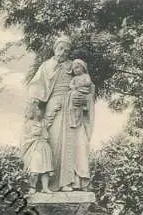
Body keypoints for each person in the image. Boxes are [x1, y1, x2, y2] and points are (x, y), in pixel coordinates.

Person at [28, 35, 95, 192]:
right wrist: (35, 102)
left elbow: (88, 86)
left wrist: (84, 99)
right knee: (52, 142)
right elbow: (35, 86)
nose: (63, 52)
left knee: (72, 144)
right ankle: (47, 185)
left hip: (72, 108)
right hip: (53, 105)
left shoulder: (74, 66)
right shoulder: (46, 66)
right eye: (60, 48)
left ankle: (69, 182)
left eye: (67, 50)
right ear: (54, 48)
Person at [21, 101, 53, 194]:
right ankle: (32, 187)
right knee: (35, 170)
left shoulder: (43, 122)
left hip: (44, 147)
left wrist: (43, 130)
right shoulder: (28, 124)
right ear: (33, 111)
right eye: (37, 109)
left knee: (45, 169)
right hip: (35, 147)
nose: (40, 111)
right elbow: (25, 137)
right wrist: (35, 133)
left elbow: (47, 132)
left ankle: (45, 187)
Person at [69, 59, 92, 128]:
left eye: (77, 67)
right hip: (76, 92)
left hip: (83, 91)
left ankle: (85, 105)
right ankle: (74, 122)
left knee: (80, 100)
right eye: (74, 69)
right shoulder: (74, 78)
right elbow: (70, 85)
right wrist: (73, 87)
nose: (75, 70)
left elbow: (89, 82)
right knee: (73, 106)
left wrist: (81, 84)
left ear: (82, 67)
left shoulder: (85, 76)